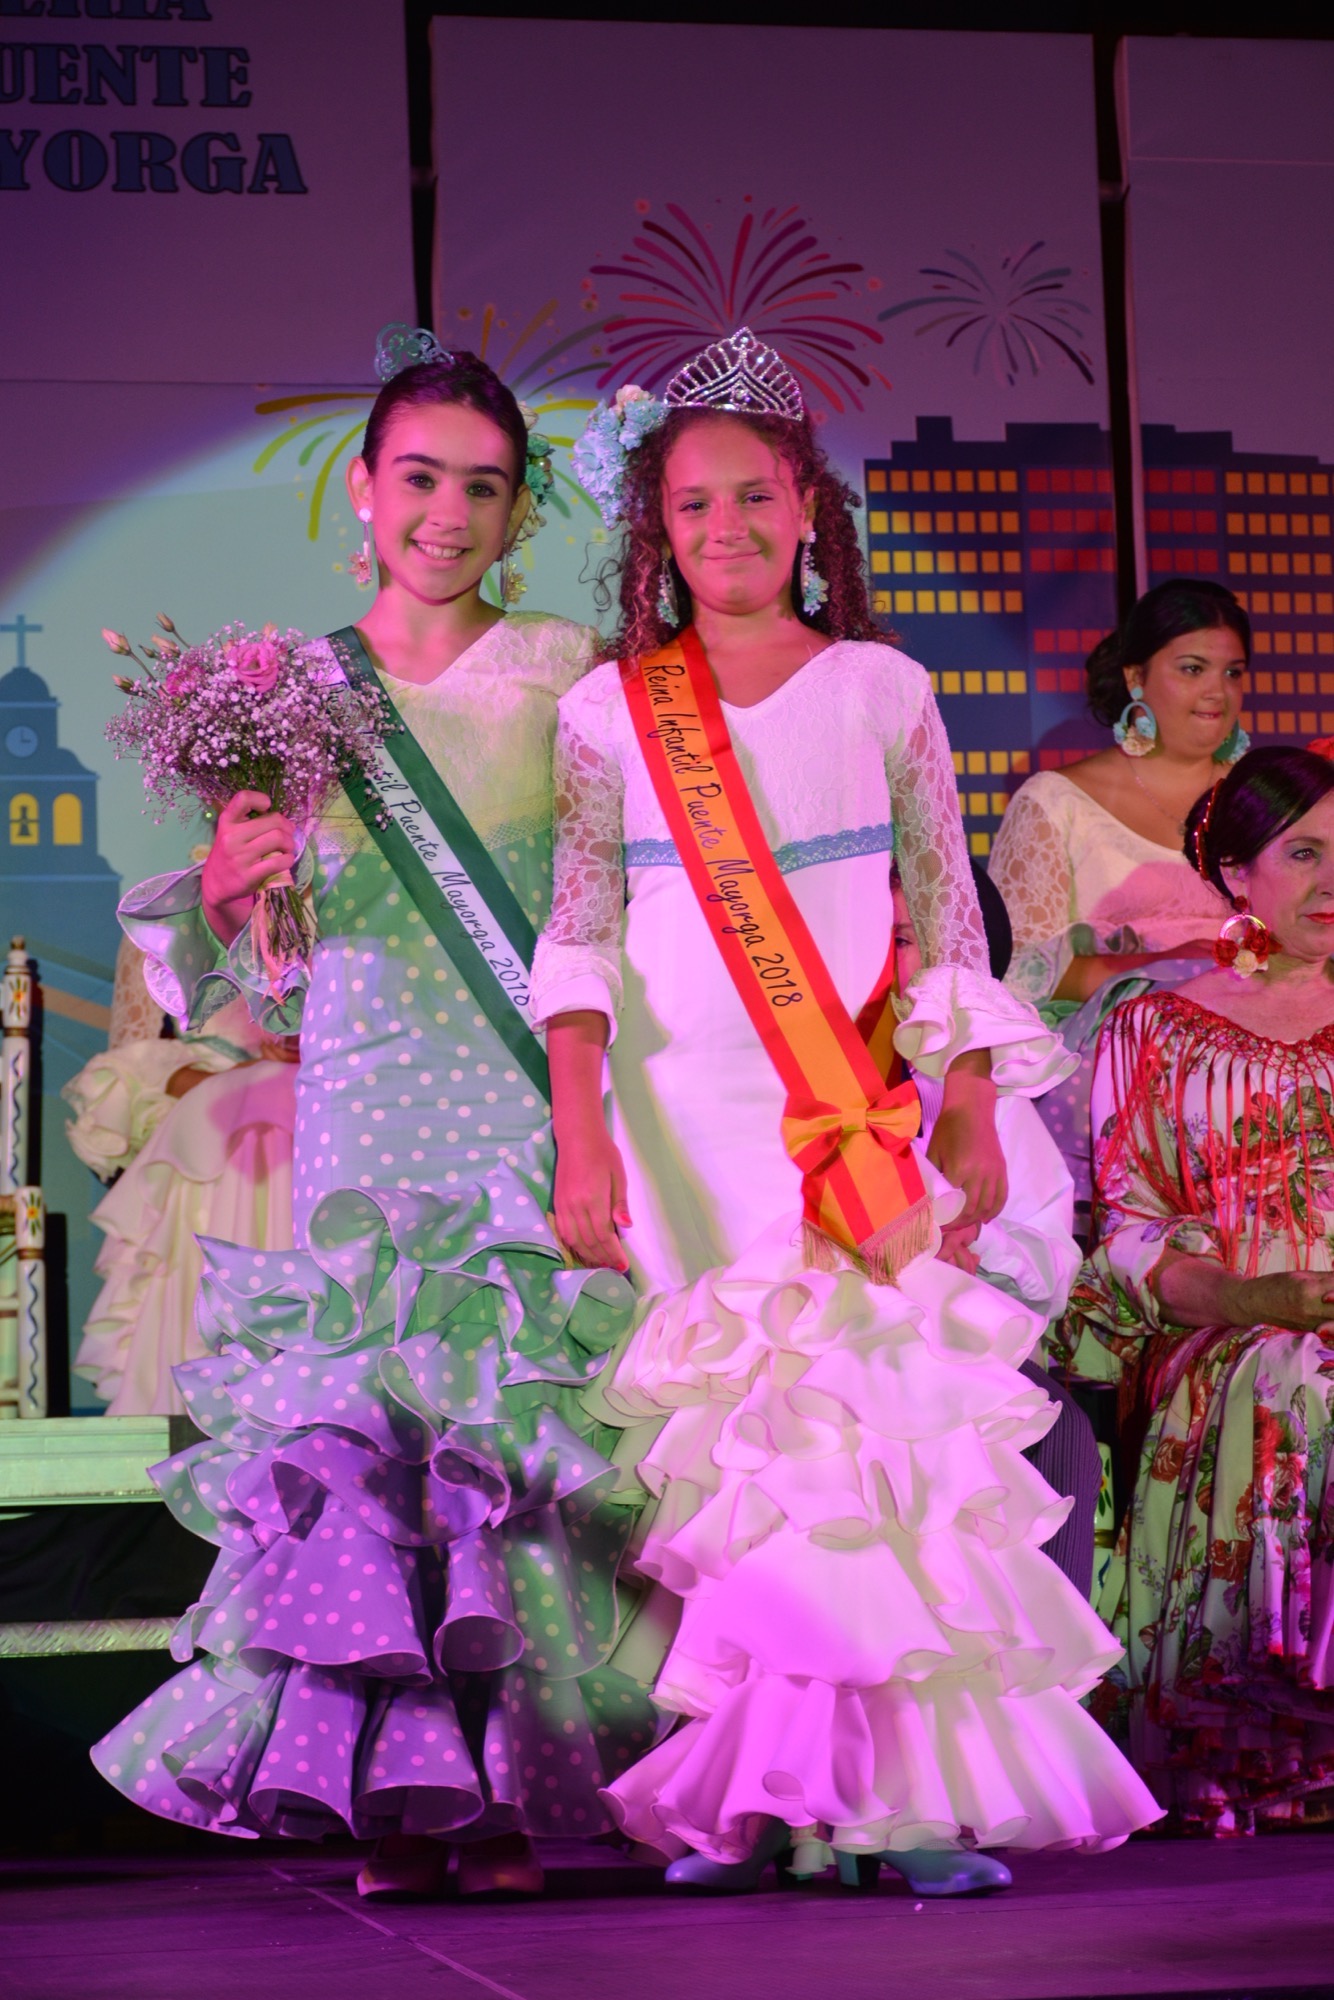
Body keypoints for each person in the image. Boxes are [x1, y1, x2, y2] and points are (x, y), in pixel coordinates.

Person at [530, 330, 1161, 1896]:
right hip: (681, 1112)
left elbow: (948, 921)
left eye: (756, 495)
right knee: (744, 1457)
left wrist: (968, 1104)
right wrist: (581, 1129)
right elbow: (580, 929)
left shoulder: (883, 685)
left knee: (872, 1443)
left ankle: (902, 1802)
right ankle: (768, 1797)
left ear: (808, 507)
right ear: (655, 530)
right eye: (692, 504)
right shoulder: (610, 710)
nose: (726, 527)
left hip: (846, 1105)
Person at [91, 329, 655, 1900]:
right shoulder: (288, 687)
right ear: (362, 487)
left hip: (525, 1098)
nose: (446, 514)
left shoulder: (568, 671)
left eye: (482, 486)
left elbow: (607, 904)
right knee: (377, 1447)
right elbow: (252, 977)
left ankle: (518, 1794)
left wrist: (594, 1114)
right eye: (419, 477)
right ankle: (399, 1799)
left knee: (512, 1444)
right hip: (363, 1104)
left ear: (519, 508)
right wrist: (225, 891)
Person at [1059, 746, 1334, 1834]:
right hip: (1229, 1330)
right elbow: (1129, 1234)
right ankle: (1273, 1717)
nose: (1332, 880)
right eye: (1304, 853)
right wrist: (1253, 1299)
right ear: (1233, 871)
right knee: (1299, 1372)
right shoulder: (1156, 1024)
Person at [892, 871, 1103, 1600]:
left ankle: (1045, 1654)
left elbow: (1050, 1270)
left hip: (958, 1349)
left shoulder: (990, 1099)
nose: (887, 961)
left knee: (1057, 1434)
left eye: (904, 941)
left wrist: (975, 1243)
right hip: (830, 1338)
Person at [990, 579, 1248, 1016]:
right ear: (1135, 678)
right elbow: (1016, 971)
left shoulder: (1265, 799)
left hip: (1258, 1041)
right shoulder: (1057, 803)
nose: (1217, 692)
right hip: (1108, 1042)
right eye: (1192, 669)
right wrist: (1162, 968)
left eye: (1232, 672)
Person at [67, 934, 297, 1418]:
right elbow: (137, 1051)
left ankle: (292, 1376)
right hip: (210, 1093)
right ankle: (201, 1382)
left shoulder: (312, 914)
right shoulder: (163, 924)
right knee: (239, 1110)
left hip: (305, 1088)